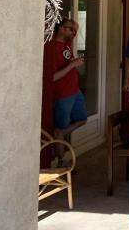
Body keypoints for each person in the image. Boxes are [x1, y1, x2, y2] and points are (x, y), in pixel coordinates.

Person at [43, 18, 87, 165]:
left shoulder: (66, 42)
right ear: (61, 29)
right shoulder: (52, 48)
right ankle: (61, 160)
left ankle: (59, 135)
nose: (74, 32)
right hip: (62, 95)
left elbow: (75, 28)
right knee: (60, 127)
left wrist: (73, 24)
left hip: (75, 91)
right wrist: (72, 65)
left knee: (82, 119)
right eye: (70, 29)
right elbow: (52, 77)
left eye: (74, 30)